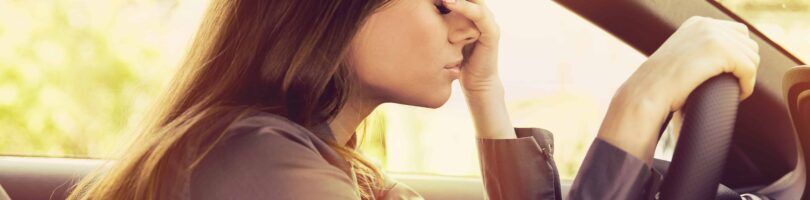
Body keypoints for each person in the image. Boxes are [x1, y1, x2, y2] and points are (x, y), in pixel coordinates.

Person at [67, 0, 759, 199]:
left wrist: (484, 92)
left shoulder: (316, 159)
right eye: (438, 0)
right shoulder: (250, 164)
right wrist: (637, 108)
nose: (475, 21)